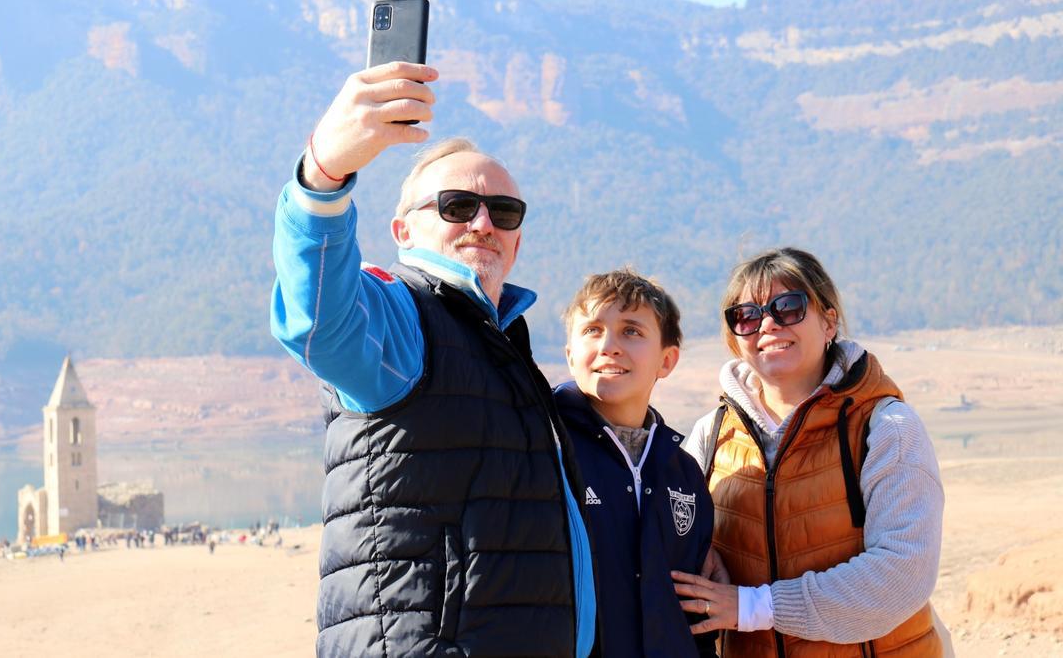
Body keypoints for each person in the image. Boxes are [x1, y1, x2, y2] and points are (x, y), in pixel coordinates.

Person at [270, 61, 595, 657]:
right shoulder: (405, 318)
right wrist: (323, 175)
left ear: (519, 240)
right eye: (455, 205)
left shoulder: (502, 347)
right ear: (404, 231)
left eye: (504, 212)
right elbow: (323, 326)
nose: (482, 223)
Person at [672, 247, 944, 657]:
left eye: (788, 307)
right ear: (734, 339)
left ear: (829, 321)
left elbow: (902, 575)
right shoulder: (710, 436)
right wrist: (703, 553)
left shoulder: (886, 427)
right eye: (746, 315)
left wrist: (754, 607)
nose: (767, 324)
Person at [553, 269, 717, 657]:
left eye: (631, 331)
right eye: (592, 330)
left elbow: (693, 614)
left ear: (667, 360)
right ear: (570, 355)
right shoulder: (544, 450)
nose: (609, 345)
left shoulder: (684, 473)